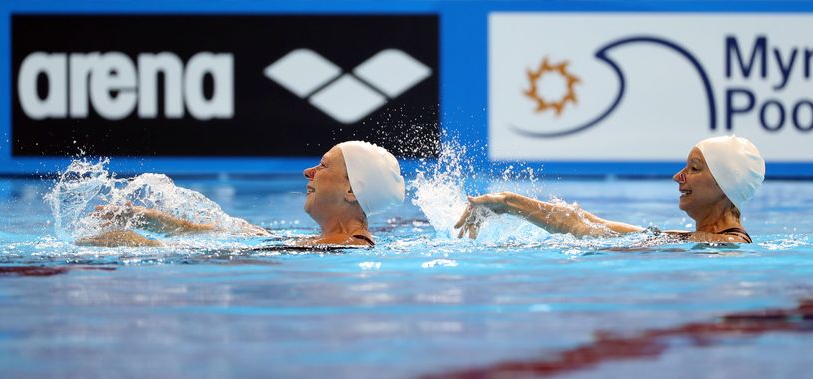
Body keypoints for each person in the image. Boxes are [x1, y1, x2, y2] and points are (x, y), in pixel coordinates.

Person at [77, 141, 405, 247]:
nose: (309, 172)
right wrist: (150, 220)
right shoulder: (324, 243)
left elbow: (222, 258)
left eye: (322, 165)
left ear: (351, 189)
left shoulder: (343, 248)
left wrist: (141, 245)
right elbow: (234, 235)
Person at [454, 135, 765, 243]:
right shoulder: (697, 241)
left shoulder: (726, 251)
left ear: (726, 185)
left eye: (694, 169)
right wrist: (508, 202)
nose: (678, 177)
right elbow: (581, 223)